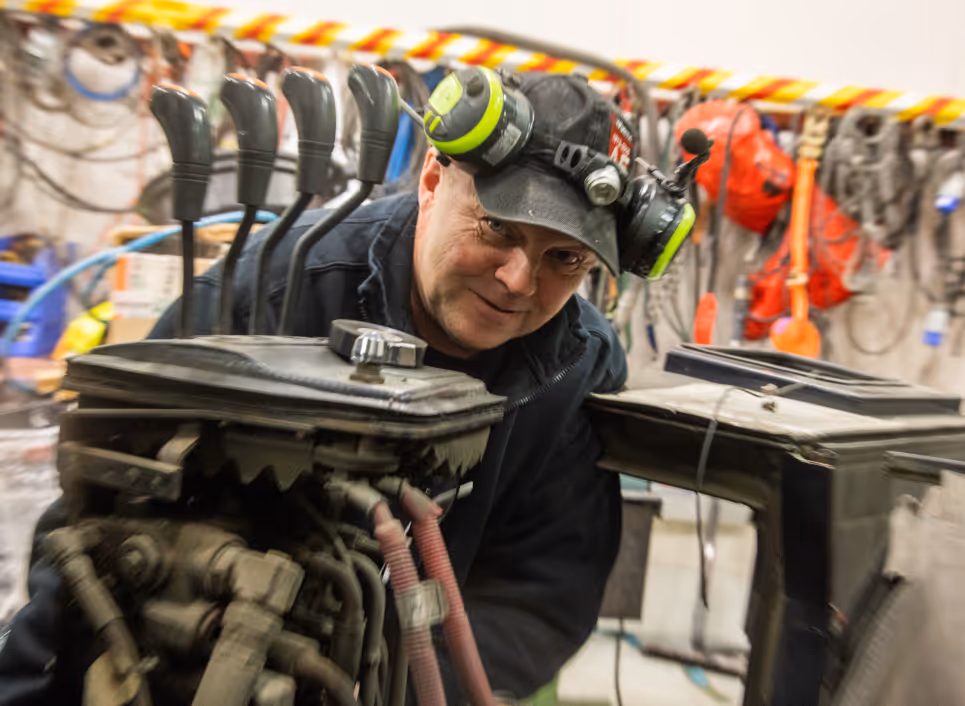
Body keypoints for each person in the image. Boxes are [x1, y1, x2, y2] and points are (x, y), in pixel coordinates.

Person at [0, 73, 628, 704]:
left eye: (564, 259)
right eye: (498, 229)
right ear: (433, 181)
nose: (520, 280)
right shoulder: (259, 299)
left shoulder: (575, 369)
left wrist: (382, 688)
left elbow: (544, 591)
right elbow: (89, 532)